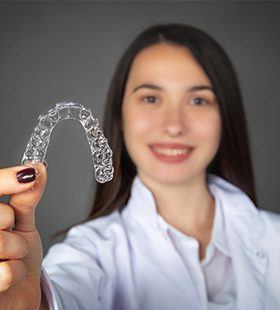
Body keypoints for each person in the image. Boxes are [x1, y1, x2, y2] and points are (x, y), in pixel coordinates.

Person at [0, 23, 279, 310]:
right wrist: (35, 301)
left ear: (225, 116)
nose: (173, 125)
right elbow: (63, 293)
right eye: (150, 98)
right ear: (120, 116)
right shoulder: (89, 252)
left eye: (198, 100)